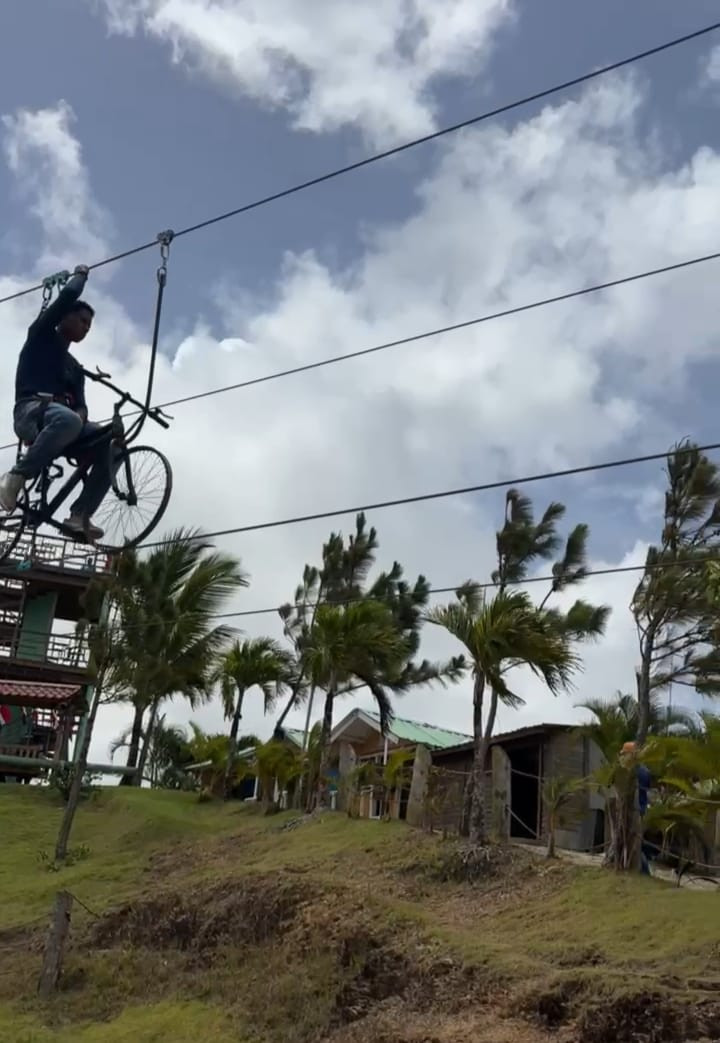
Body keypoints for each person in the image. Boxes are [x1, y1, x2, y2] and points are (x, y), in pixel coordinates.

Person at [0, 264, 111, 540]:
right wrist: (80, 277)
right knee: (68, 419)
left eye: (89, 325)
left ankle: (80, 515)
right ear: (64, 318)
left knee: (112, 443)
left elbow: (81, 405)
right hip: (30, 412)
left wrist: (83, 417)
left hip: (65, 423)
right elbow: (64, 300)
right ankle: (16, 476)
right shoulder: (41, 335)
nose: (85, 328)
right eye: (82, 320)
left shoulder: (75, 368)